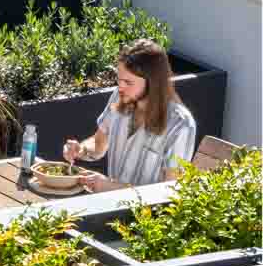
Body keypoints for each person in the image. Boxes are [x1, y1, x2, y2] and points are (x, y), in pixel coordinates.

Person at [64, 41, 198, 187]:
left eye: (128, 82)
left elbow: (169, 193)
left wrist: (109, 187)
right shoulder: (119, 96)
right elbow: (98, 144)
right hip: (108, 203)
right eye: (119, 79)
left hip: (145, 210)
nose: (120, 87)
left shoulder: (180, 125)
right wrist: (80, 150)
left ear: (153, 82)